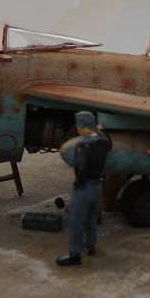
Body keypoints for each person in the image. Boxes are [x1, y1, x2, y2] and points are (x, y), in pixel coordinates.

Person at [57, 111, 112, 267]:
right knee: (92, 219)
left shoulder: (83, 145)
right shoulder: (103, 141)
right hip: (97, 187)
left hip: (85, 187)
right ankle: (90, 246)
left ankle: (74, 255)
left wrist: (79, 184)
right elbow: (109, 144)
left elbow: (80, 167)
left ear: (82, 126)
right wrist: (101, 130)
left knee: (75, 221)